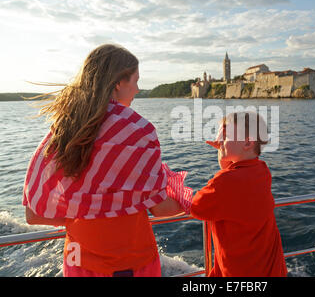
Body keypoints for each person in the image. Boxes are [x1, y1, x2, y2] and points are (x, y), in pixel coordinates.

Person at [23, 44, 192, 277]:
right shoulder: (138, 132)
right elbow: (160, 208)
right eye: (135, 80)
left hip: (77, 261)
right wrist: (189, 199)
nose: (138, 89)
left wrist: (88, 210)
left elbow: (33, 214)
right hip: (130, 263)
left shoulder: (62, 130)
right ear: (118, 83)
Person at [190, 111, 287, 277]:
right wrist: (225, 154)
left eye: (225, 136)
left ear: (248, 142)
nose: (219, 141)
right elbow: (235, 189)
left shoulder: (225, 182)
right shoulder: (262, 170)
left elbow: (194, 207)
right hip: (269, 268)